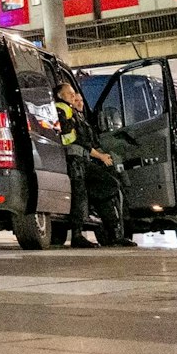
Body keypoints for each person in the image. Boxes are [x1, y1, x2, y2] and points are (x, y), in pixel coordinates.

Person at [56, 81, 120, 248]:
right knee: (80, 196)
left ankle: (112, 233)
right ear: (60, 95)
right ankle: (77, 235)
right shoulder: (63, 109)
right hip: (73, 158)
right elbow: (71, 137)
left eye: (77, 97)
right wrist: (98, 155)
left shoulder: (75, 113)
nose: (74, 97)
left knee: (107, 185)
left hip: (81, 159)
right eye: (70, 94)